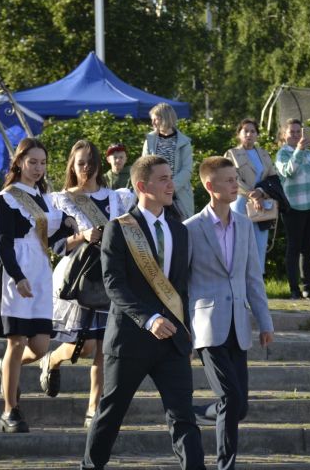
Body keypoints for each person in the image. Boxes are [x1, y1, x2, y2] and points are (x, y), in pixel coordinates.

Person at [81, 155, 205, 470]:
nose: (170, 184)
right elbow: (115, 285)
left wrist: (186, 333)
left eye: (170, 177)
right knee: (110, 414)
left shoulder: (180, 230)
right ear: (141, 186)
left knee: (183, 417)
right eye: (163, 178)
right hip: (130, 341)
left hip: (172, 342)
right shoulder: (118, 229)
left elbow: (181, 289)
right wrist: (149, 318)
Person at [186, 156, 273, 470]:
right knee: (231, 399)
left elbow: (253, 278)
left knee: (239, 407)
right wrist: (183, 329)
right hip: (206, 326)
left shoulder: (245, 225)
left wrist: (265, 322)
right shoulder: (191, 228)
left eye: (236, 178)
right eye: (228, 180)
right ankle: (226, 465)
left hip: (239, 324)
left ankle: (201, 411)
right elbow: (181, 283)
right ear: (210, 186)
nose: (235, 184)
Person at [0, 138, 75, 433]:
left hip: (40, 269)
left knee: (39, 346)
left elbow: (47, 241)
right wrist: (16, 276)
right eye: (32, 162)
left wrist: (66, 225)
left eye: (42, 163)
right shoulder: (7, 197)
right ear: (19, 162)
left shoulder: (44, 198)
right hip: (18, 272)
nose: (38, 168)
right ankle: (9, 409)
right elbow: (3, 243)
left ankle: (5, 370)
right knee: (17, 341)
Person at [41, 140, 125, 427]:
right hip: (78, 275)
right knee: (86, 346)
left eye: (91, 161)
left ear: (99, 164)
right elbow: (56, 245)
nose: (86, 167)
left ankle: (93, 410)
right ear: (72, 166)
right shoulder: (62, 199)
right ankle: (51, 360)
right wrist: (83, 236)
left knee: (104, 348)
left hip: (110, 275)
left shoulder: (116, 198)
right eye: (80, 163)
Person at [275, 119, 310, 300]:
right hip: (293, 206)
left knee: (308, 249)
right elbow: (288, 171)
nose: (297, 135)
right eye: (292, 132)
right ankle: (293, 289)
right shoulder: (282, 154)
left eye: (299, 131)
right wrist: (298, 150)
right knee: (294, 247)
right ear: (284, 135)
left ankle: (307, 287)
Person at [225, 118, 283, 272]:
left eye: (253, 131)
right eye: (246, 131)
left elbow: (273, 177)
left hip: (262, 202)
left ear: (257, 134)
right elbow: (232, 177)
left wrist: (260, 193)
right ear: (239, 134)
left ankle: (257, 283)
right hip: (241, 201)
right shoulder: (232, 153)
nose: (249, 134)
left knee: (260, 242)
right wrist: (252, 194)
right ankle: (239, 280)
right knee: (240, 242)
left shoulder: (263, 154)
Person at [142, 103, 194, 220]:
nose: (153, 123)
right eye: (152, 119)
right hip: (154, 194)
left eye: (156, 119)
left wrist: (170, 187)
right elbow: (144, 167)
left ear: (165, 117)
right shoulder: (149, 140)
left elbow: (187, 170)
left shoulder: (184, 142)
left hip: (178, 195)